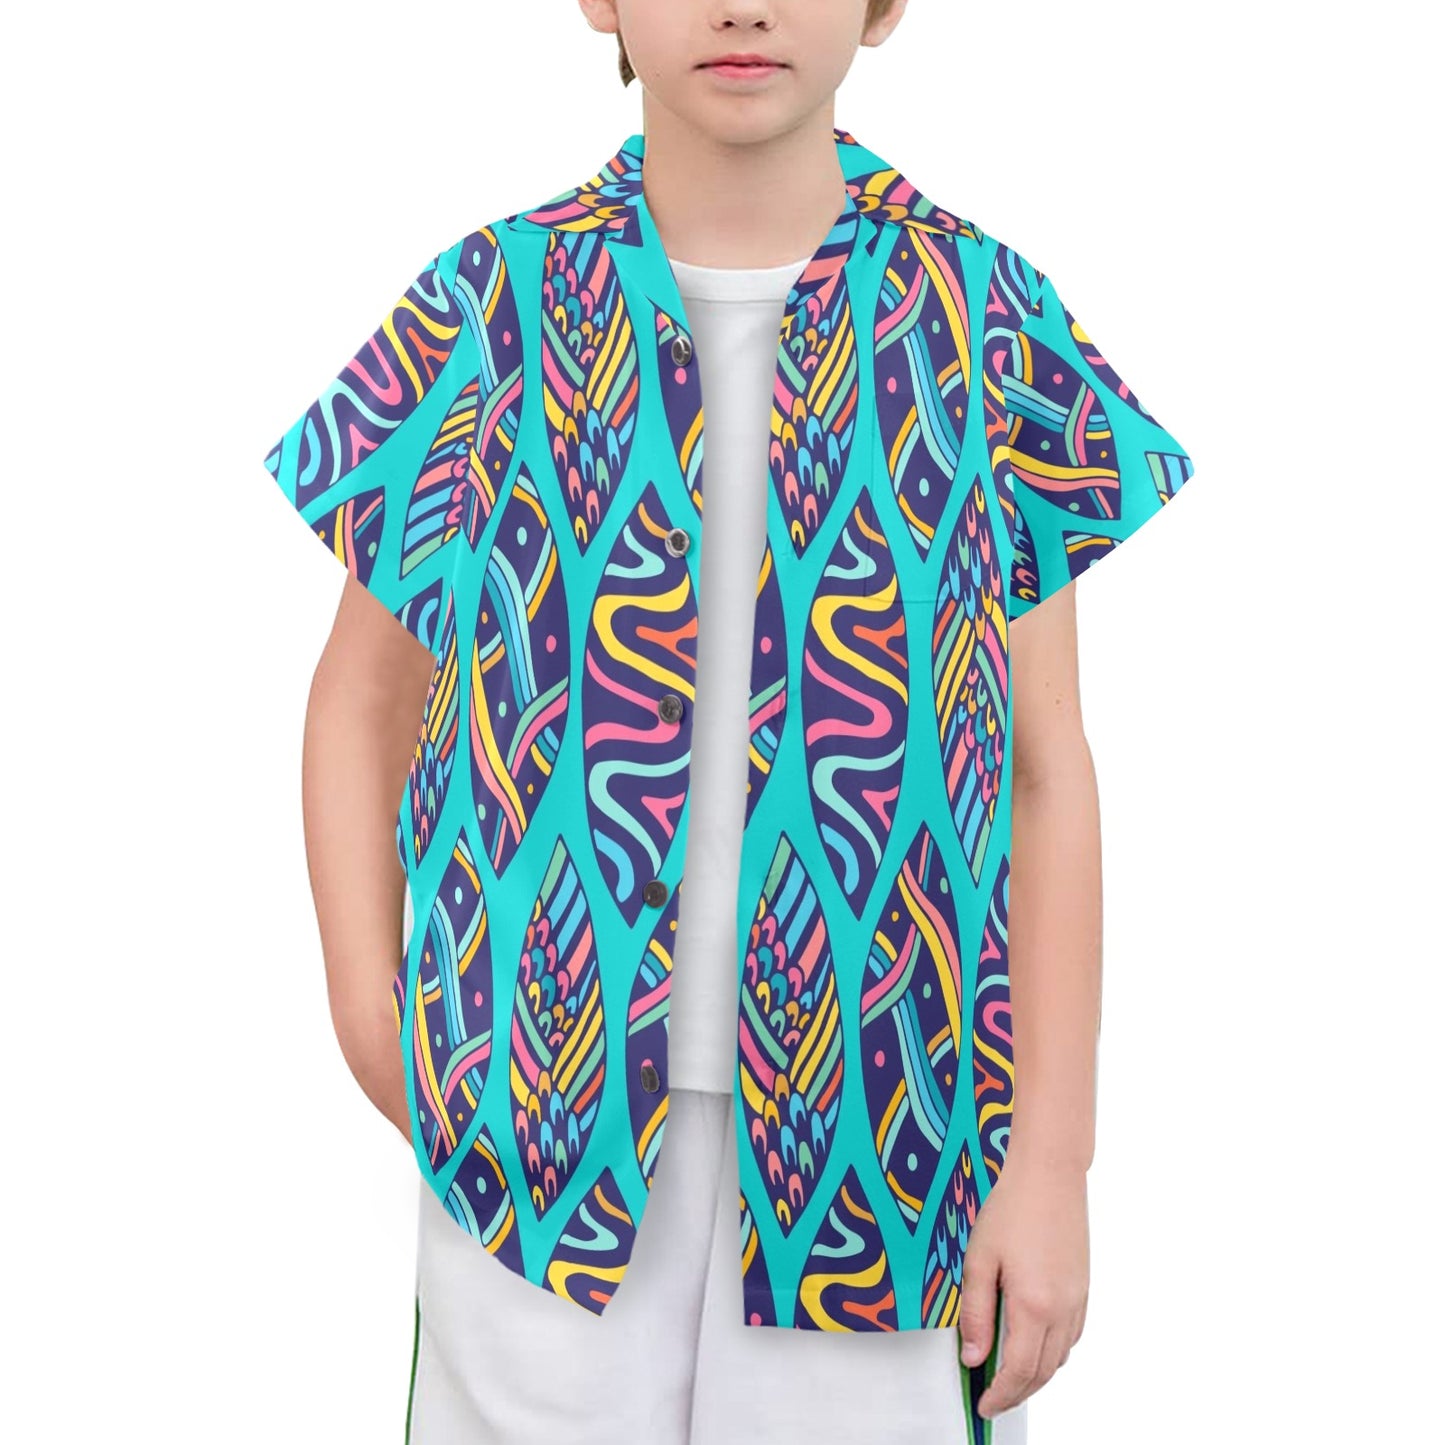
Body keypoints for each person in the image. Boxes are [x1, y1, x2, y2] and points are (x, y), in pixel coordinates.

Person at [259, 2, 1197, 1441]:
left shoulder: (983, 315)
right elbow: (360, 699)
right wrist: (374, 1019)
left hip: (890, 1139)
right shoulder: (490, 303)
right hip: (537, 1122)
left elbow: (1042, 767)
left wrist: (1051, 1164)